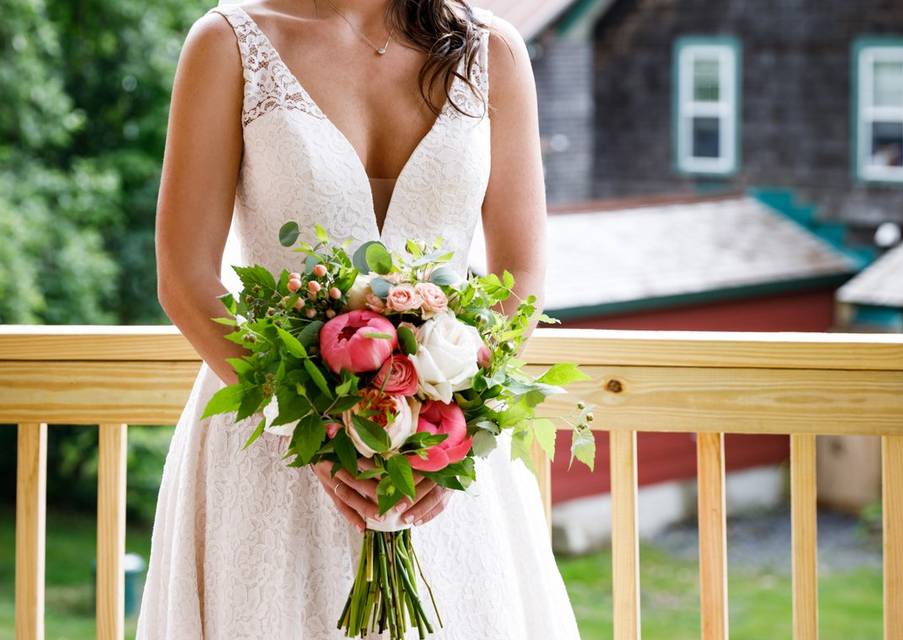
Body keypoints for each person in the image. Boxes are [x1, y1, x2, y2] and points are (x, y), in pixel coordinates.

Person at [138, 1, 581, 637]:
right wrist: (308, 431)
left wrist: (455, 429)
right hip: (272, 450)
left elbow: (523, 272)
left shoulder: (493, 52)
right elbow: (183, 277)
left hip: (443, 464)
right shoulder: (230, 44)